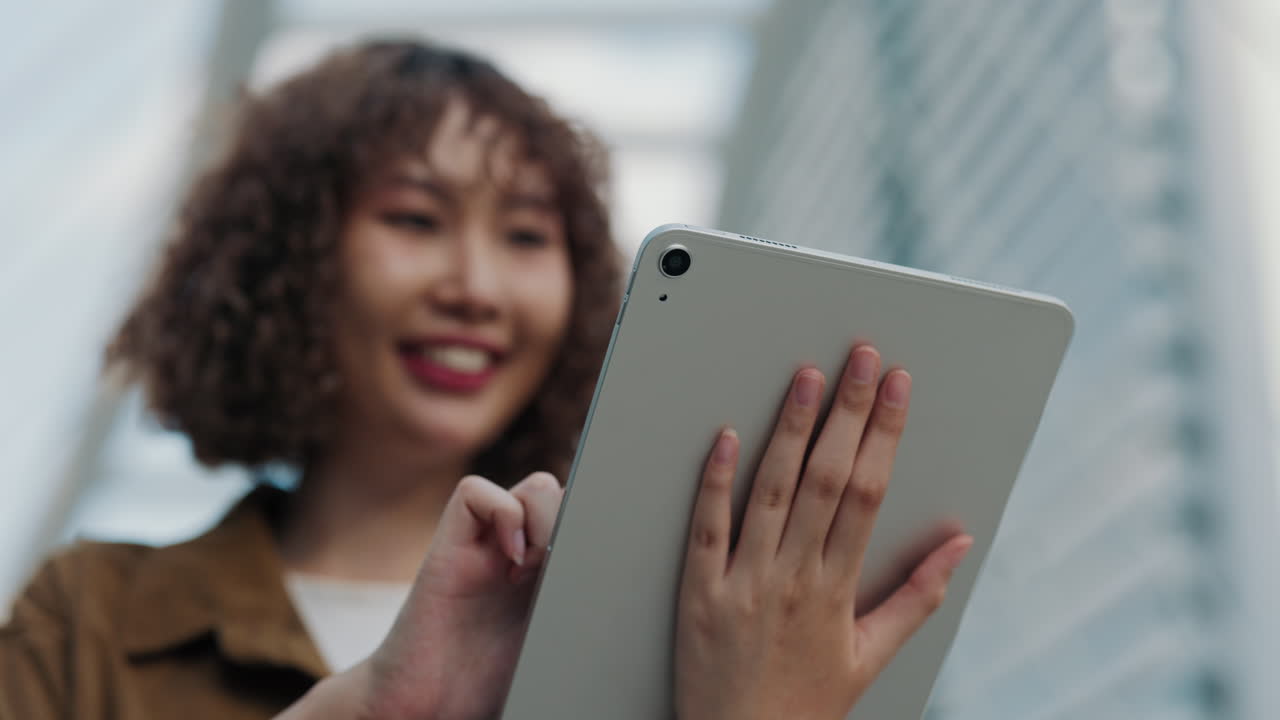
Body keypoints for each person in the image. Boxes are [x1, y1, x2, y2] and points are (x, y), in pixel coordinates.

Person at [0, 39, 972, 720]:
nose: (475, 288)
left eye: (523, 236)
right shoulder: (90, 622)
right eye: (415, 220)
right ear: (287, 265)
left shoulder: (706, 624)